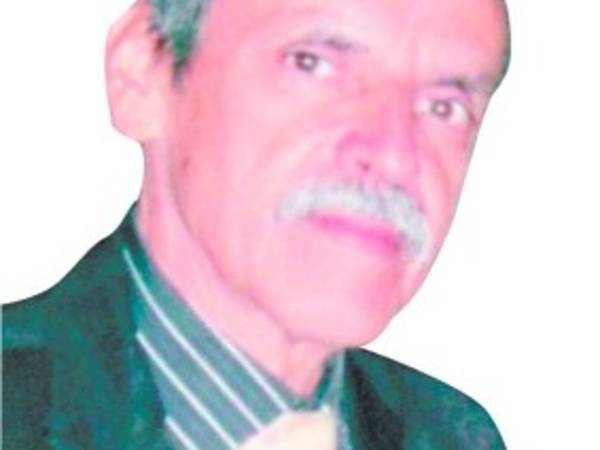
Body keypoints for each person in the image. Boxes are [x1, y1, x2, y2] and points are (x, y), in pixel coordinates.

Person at [2, 0, 511, 448]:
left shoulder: (453, 435)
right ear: (143, 73)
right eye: (312, 64)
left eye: (445, 107)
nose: (397, 155)